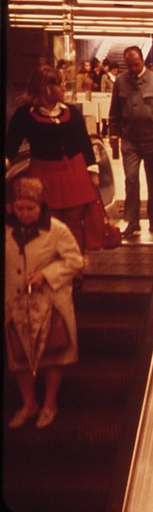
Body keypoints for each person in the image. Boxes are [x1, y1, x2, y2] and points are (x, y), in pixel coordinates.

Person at [5, 177, 83, 429]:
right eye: (20, 208)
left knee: (52, 355)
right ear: (11, 207)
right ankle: (29, 404)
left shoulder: (56, 229)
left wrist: (45, 275)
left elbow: (74, 261)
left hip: (50, 305)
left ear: (41, 207)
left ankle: (50, 404)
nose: (25, 213)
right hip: (15, 305)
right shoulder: (6, 230)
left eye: (31, 208)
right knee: (18, 357)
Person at [5, 65, 100, 253]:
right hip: (43, 177)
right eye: (59, 85)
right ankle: (49, 269)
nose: (64, 88)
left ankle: (74, 272)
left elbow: (84, 143)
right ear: (45, 88)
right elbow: (11, 146)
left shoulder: (72, 113)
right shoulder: (25, 115)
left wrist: (93, 171)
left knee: (74, 226)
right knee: (46, 225)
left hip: (73, 175)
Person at [108, 45, 153, 238]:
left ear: (143, 62)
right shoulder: (120, 82)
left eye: (136, 64)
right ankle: (132, 221)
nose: (133, 69)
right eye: (129, 65)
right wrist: (113, 134)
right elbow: (114, 111)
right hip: (129, 139)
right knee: (130, 179)